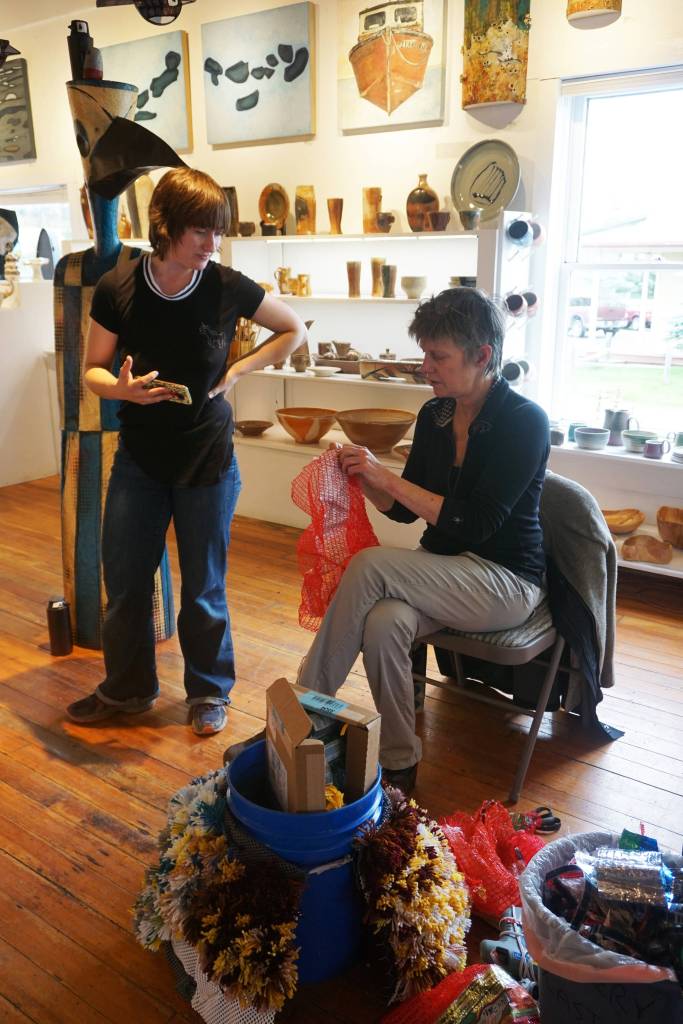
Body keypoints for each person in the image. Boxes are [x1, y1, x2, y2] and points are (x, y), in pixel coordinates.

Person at [66, 167, 307, 735]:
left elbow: (290, 329)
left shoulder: (225, 285)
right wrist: (120, 389)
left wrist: (238, 371)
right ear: (165, 225)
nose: (211, 244)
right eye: (201, 231)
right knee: (125, 582)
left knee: (204, 587)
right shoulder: (118, 287)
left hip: (207, 459)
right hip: (140, 459)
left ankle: (208, 693)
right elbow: (93, 369)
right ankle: (127, 690)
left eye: (218, 232)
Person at [297, 287, 550, 792]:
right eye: (424, 354)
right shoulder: (435, 417)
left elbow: (475, 524)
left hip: (505, 583)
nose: (425, 367)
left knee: (369, 565)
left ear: (482, 356)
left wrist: (385, 476)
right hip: (442, 572)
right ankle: (399, 758)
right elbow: (406, 512)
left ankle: (300, 713)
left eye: (439, 357)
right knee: (385, 622)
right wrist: (365, 477)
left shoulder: (525, 422)